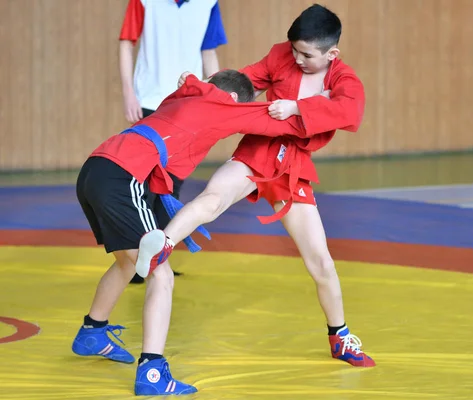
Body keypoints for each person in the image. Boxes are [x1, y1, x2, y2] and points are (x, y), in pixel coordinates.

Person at [135, 4, 375, 367]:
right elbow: (242, 84)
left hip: (292, 166)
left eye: (307, 55)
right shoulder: (282, 55)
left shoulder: (345, 80)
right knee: (213, 199)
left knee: (321, 263)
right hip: (259, 150)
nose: (297, 58)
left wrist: (296, 107)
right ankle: (162, 244)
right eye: (293, 50)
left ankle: (339, 336)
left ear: (332, 54)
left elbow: (350, 113)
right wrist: (200, 88)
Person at [72, 69, 328, 396]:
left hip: (97, 167)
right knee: (160, 274)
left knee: (128, 261)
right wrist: (323, 104)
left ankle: (92, 332)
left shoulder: (184, 96)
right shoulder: (223, 104)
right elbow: (280, 121)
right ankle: (151, 373)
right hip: (125, 176)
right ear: (234, 99)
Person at [119, 0, 227, 283]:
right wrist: (129, 93)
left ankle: (157, 257)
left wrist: (215, 96)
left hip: (187, 104)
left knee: (172, 183)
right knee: (142, 183)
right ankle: (135, 260)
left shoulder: (208, 3)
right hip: (149, 101)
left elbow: (209, 52)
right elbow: (126, 43)